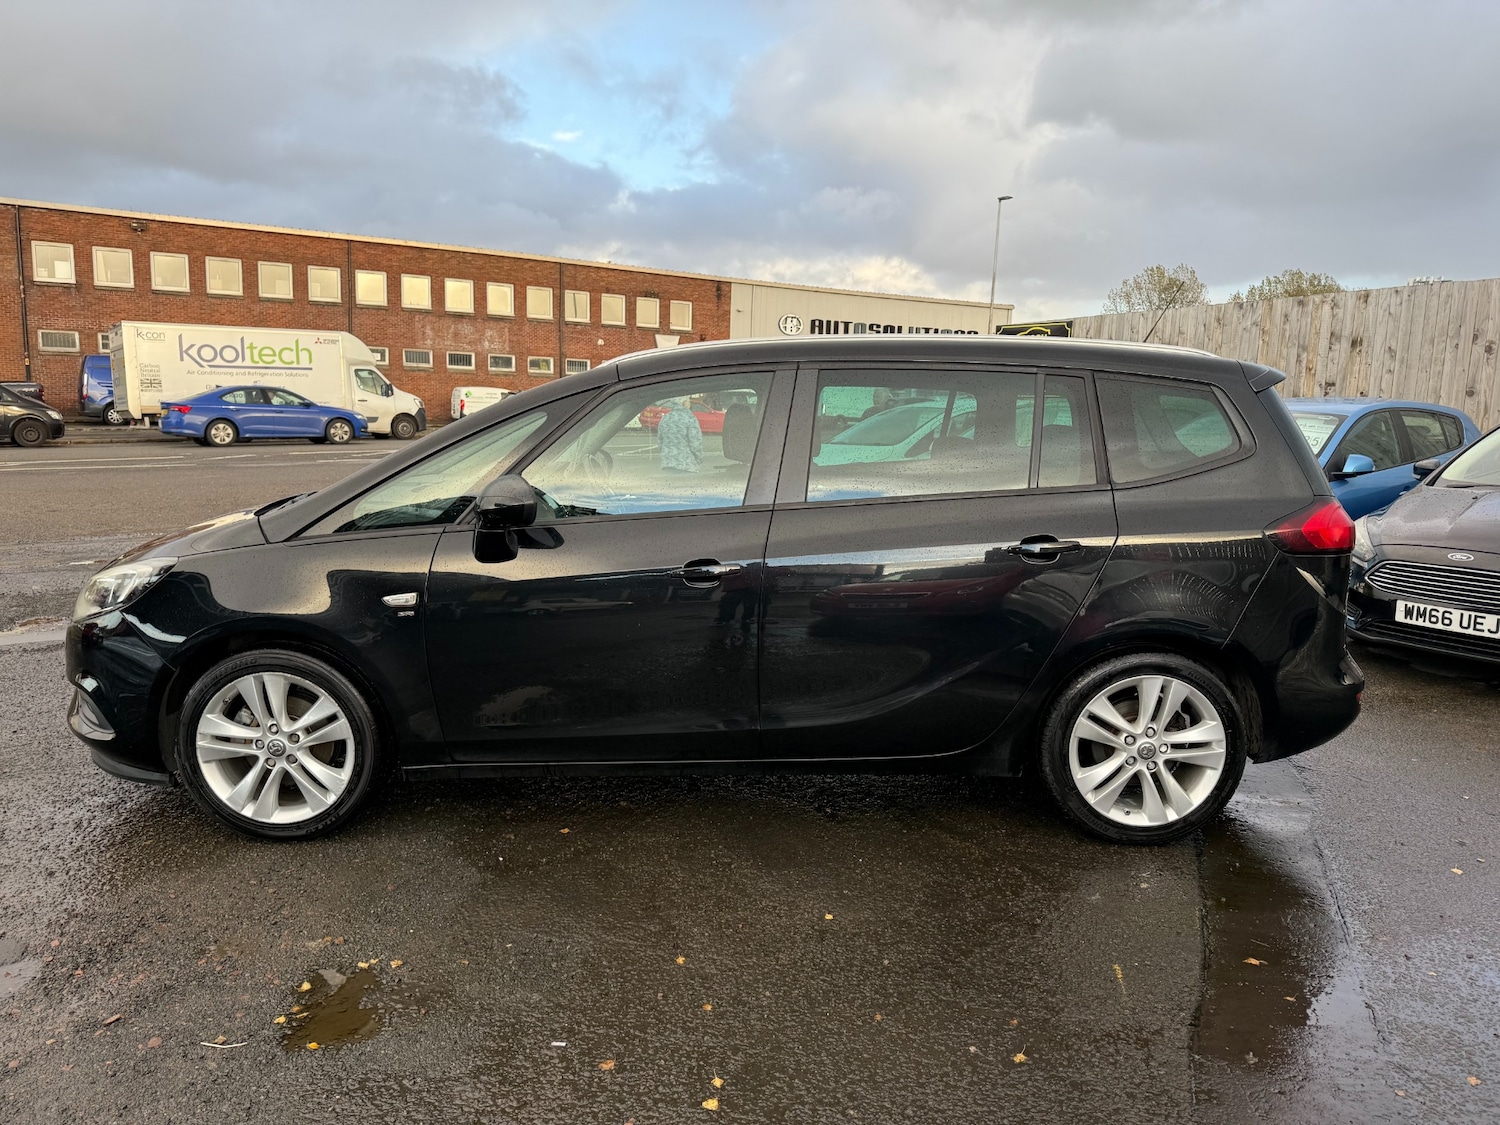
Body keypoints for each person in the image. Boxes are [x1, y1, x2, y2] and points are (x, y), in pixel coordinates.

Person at [657, 397, 703, 472]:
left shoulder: (665, 418)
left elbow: (660, 442)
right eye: (688, 401)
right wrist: (698, 459)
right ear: (684, 403)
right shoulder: (690, 418)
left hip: (667, 465)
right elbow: (695, 443)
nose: (689, 403)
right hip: (687, 466)